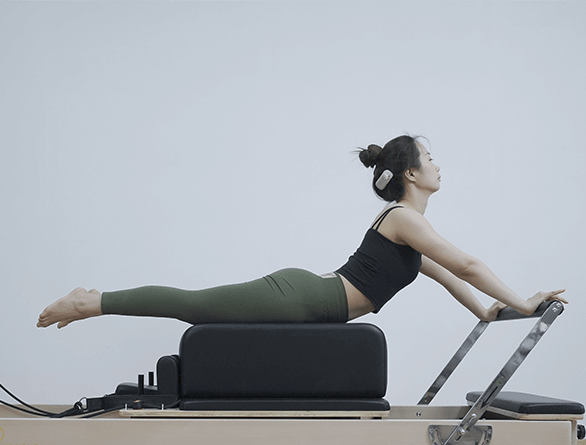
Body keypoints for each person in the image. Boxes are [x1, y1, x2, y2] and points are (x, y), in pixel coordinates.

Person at [37, 135, 567, 330]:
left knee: (196, 306)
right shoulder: (405, 221)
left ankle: (95, 301)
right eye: (431, 159)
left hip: (313, 297)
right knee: (195, 307)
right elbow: (469, 265)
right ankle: (92, 302)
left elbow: (456, 281)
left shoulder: (410, 232)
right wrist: (521, 301)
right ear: (410, 174)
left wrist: (496, 312)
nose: (438, 166)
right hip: (302, 297)